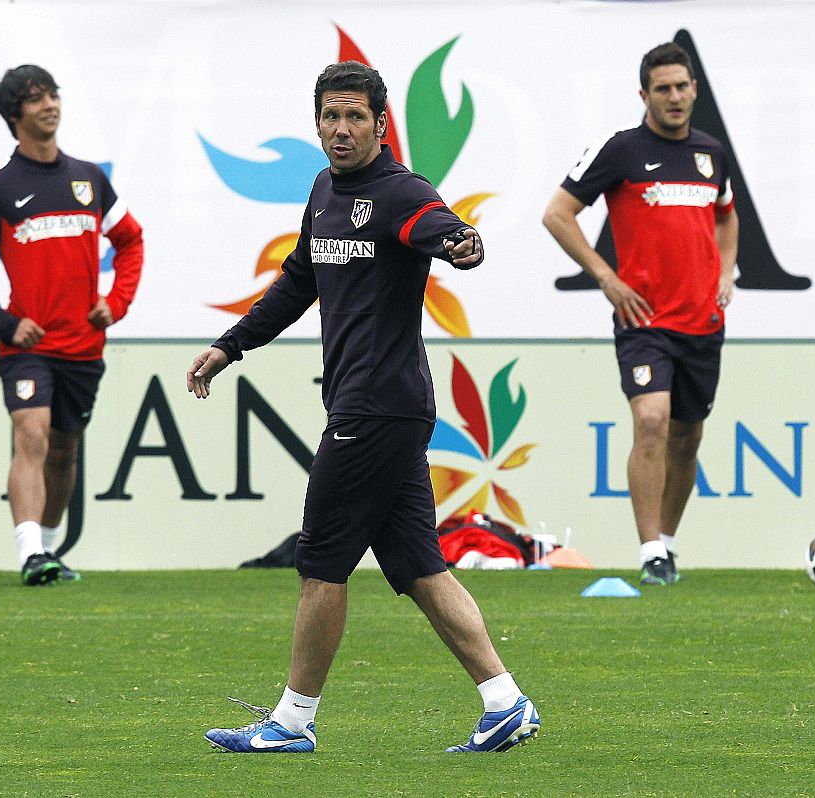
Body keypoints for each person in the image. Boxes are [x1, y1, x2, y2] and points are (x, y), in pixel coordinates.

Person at [187, 61, 537, 754]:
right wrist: (231, 347)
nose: (340, 130)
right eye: (329, 117)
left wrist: (463, 245)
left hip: (377, 408)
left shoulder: (401, 191)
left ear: (381, 124)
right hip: (382, 406)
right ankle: (504, 702)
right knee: (416, 566)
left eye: (355, 118)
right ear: (316, 122)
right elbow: (296, 283)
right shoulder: (323, 190)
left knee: (321, 561)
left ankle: (290, 722)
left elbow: (446, 228)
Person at [541, 42, 737, 586]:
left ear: (695, 89)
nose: (674, 97)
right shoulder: (621, 150)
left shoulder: (712, 154)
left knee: (688, 437)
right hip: (644, 319)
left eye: (682, 86)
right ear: (644, 95)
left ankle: (667, 546)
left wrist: (726, 273)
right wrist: (606, 277)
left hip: (703, 322)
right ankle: (649, 549)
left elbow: (727, 216)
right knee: (651, 420)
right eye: (662, 88)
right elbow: (558, 214)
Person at [0, 65, 144, 586]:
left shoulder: (88, 179)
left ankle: (50, 551)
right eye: (36, 100)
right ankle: (30, 552)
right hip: (28, 349)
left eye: (53, 95)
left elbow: (130, 241)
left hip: (83, 346)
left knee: (64, 448)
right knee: (30, 434)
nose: (50, 106)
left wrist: (116, 301)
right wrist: (5, 324)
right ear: (15, 116)